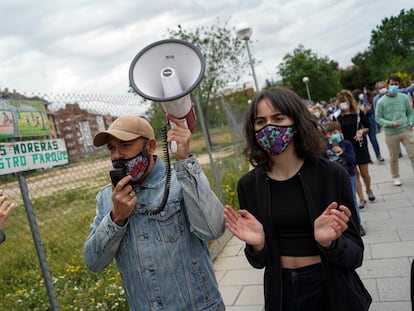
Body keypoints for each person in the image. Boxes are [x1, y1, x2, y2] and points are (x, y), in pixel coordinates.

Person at [223, 88, 371, 311]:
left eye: (278, 118)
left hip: (331, 290)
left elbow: (355, 254)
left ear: (296, 121)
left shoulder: (331, 175)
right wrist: (257, 246)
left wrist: (329, 243)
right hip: (281, 294)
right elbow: (259, 262)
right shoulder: (248, 186)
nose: (269, 127)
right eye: (260, 121)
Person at [84, 115, 226, 310]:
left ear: (150, 147)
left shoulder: (179, 181)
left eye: (125, 145)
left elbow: (214, 229)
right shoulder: (107, 198)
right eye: (111, 148)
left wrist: (184, 161)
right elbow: (94, 262)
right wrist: (116, 218)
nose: (116, 155)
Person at [322, 121, 366, 236]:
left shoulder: (346, 144)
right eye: (330, 134)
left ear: (340, 132)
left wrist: (342, 153)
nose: (333, 135)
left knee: (352, 201)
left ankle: (358, 224)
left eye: (335, 132)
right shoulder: (325, 147)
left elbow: (353, 160)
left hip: (348, 175)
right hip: (332, 178)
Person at [335, 90, 375, 210]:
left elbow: (368, 126)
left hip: (359, 146)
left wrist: (361, 131)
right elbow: (335, 130)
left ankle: (368, 189)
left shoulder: (358, 113)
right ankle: (362, 199)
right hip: (347, 147)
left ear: (349, 101)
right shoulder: (337, 117)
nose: (343, 104)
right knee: (354, 174)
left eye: (344, 102)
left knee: (365, 174)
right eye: (340, 102)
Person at [375, 74, 414, 186]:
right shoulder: (381, 101)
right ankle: (395, 177)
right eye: (391, 84)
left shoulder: (404, 97)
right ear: (388, 85)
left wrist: (411, 123)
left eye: (396, 84)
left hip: (406, 130)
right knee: (393, 157)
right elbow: (378, 118)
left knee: (413, 153)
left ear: (399, 85)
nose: (393, 86)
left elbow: (410, 112)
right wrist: (390, 123)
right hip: (390, 133)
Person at [358, 88, 385, 163]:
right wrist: (363, 111)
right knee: (364, 142)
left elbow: (370, 111)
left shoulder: (366, 101)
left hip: (369, 123)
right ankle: (368, 158)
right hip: (361, 125)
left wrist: (365, 111)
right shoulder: (355, 105)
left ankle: (378, 156)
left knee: (373, 140)